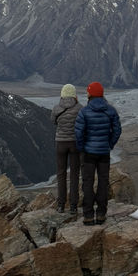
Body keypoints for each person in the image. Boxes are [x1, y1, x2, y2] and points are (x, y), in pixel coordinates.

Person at [75, 81, 122, 225]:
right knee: (103, 182)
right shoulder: (110, 110)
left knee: (88, 182)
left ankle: (88, 215)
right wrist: (109, 144)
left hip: (88, 153)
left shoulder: (84, 112)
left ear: (90, 94)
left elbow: (78, 133)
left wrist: (82, 147)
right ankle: (101, 214)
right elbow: (117, 130)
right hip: (104, 153)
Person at [51, 83, 82, 215]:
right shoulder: (80, 108)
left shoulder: (56, 108)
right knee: (74, 174)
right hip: (75, 144)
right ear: (74, 95)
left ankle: (61, 205)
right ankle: (74, 206)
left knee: (61, 174)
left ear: (62, 95)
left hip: (60, 144)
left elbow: (53, 122)